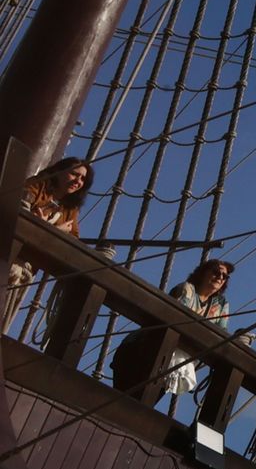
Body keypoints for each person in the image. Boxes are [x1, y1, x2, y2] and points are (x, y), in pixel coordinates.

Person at [111, 255, 233, 410]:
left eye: (224, 276)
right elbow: (177, 318)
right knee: (120, 401)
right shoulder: (187, 289)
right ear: (203, 273)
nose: (220, 277)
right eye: (216, 272)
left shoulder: (221, 304)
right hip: (141, 351)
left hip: (170, 364)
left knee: (140, 405)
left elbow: (221, 333)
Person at [8, 158, 93, 334]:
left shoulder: (70, 208)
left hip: (28, 267)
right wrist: (54, 229)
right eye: (74, 174)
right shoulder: (37, 185)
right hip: (9, 256)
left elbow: (73, 238)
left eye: (83, 179)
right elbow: (17, 206)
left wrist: (50, 229)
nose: (78, 181)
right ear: (59, 171)